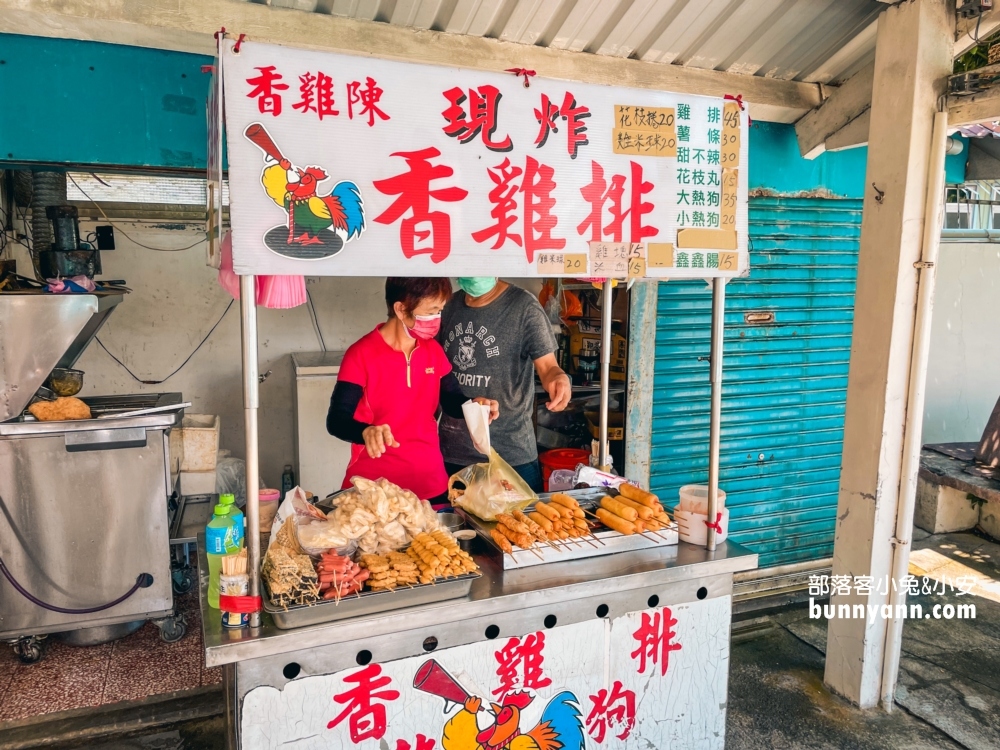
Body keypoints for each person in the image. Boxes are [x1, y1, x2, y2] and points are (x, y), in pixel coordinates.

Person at [327, 278, 498, 505]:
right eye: (431, 311)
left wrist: (476, 406)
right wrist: (365, 432)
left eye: (440, 310)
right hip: (374, 488)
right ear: (400, 308)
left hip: (429, 480)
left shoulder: (432, 350)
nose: (437, 319)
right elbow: (337, 420)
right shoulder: (361, 354)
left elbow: (452, 401)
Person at [438, 277, 571, 492]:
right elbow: (435, 370)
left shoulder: (523, 307)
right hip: (452, 452)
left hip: (510, 454)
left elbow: (548, 367)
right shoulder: (448, 306)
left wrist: (558, 378)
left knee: (520, 524)